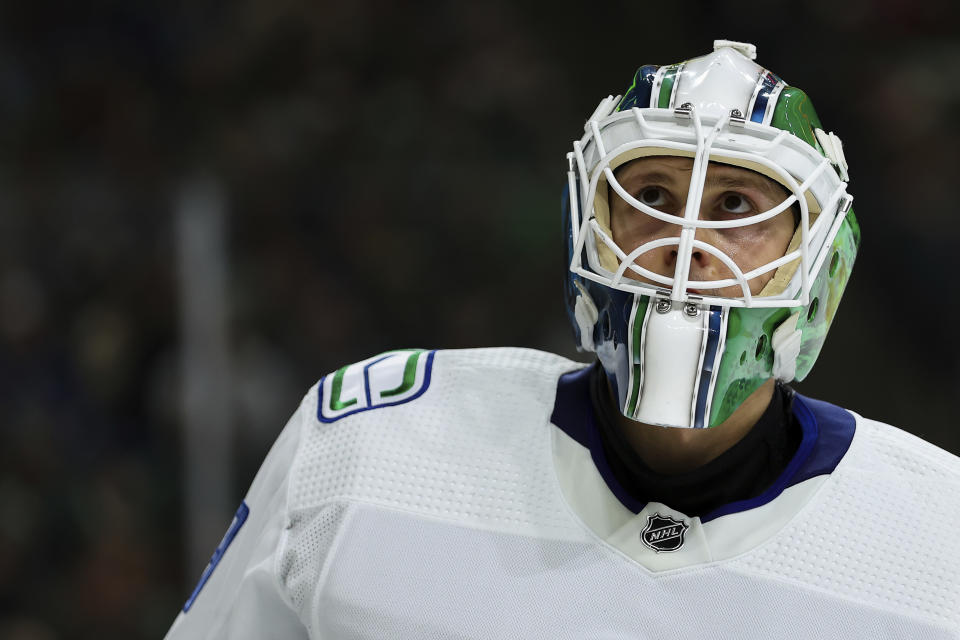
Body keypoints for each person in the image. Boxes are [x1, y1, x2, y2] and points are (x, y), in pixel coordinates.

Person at [165, 41, 960, 639]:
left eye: (735, 207)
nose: (684, 243)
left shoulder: (937, 544)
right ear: (591, 228)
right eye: (650, 193)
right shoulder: (365, 448)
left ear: (818, 264)